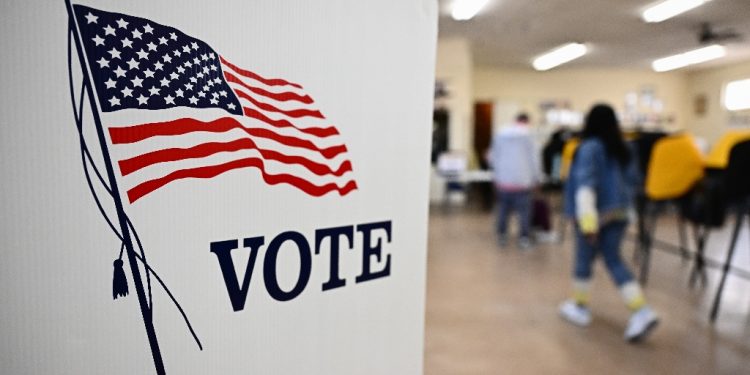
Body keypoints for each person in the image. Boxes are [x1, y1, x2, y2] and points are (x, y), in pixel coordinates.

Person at [559, 104, 659, 342]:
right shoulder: (625, 148)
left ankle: (579, 306)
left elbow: (585, 186)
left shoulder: (588, 148)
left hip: (594, 215)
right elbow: (634, 182)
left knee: (584, 260)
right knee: (614, 259)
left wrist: (588, 222)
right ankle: (641, 310)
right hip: (620, 213)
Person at [488, 113, 541, 249]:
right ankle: (523, 238)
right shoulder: (529, 136)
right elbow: (534, 159)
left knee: (503, 210)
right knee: (523, 212)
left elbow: (493, 157)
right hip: (523, 181)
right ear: (526, 121)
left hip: (503, 181)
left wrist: (497, 175)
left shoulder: (501, 134)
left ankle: (502, 236)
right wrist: (536, 178)